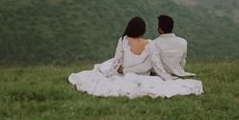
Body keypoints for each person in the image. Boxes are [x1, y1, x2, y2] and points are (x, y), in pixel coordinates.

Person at [68, 16, 203, 98]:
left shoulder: (123, 40)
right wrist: (168, 78)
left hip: (123, 70)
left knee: (105, 65)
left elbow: (116, 62)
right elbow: (156, 66)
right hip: (142, 74)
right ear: (143, 30)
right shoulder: (150, 44)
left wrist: (108, 75)